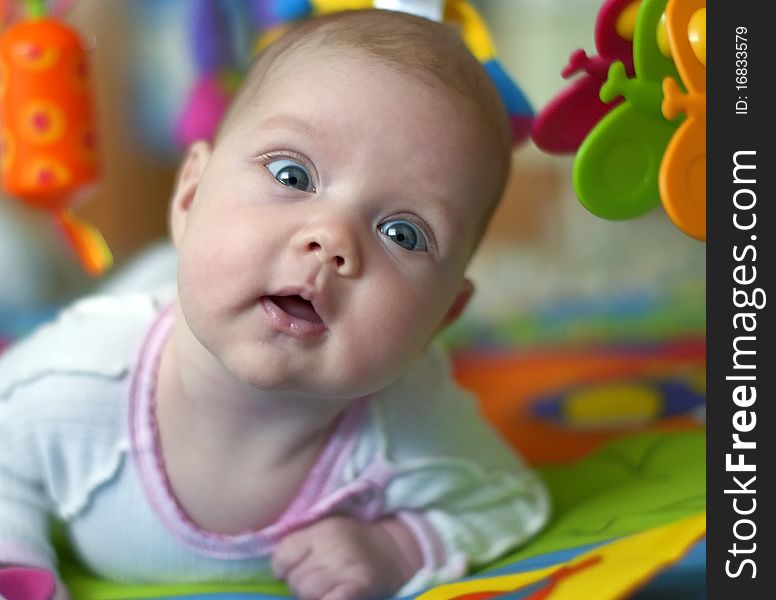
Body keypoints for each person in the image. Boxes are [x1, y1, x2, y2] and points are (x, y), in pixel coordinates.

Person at [0, 9, 549, 600]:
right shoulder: (72, 381)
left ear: (441, 319)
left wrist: (401, 545)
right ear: (188, 197)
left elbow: (511, 500)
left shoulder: (414, 428)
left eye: (403, 234)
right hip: (142, 303)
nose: (332, 240)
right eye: (291, 175)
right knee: (156, 281)